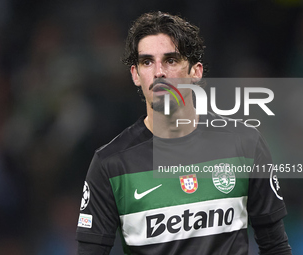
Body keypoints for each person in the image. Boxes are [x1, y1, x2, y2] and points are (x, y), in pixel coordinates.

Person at [76, 11, 291, 255]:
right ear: (136, 75)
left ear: (196, 71)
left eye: (170, 60)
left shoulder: (245, 144)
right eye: (147, 62)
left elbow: (275, 246)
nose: (159, 72)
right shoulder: (110, 164)